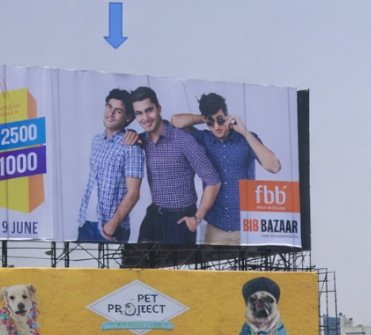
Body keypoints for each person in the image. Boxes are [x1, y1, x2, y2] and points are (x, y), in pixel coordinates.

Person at [168, 93, 281, 245]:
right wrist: (206, 117)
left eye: (220, 120)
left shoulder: (247, 139)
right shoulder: (204, 138)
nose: (216, 127)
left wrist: (244, 131)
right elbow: (175, 121)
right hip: (214, 228)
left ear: (227, 115)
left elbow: (274, 167)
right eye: (211, 123)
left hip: (245, 229)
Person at [127, 87, 221, 245]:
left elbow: (213, 180)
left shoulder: (183, 140)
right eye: (139, 113)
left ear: (159, 108)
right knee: (135, 264)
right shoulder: (141, 140)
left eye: (149, 110)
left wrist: (197, 218)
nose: (145, 117)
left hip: (181, 219)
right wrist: (129, 133)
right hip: (154, 215)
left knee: (174, 268)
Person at [76, 89, 144, 242]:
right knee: (80, 266)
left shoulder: (131, 146)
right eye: (109, 106)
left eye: (118, 110)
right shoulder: (96, 141)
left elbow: (133, 194)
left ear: (128, 117)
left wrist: (111, 226)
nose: (111, 113)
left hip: (111, 229)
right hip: (86, 223)